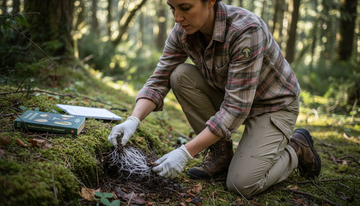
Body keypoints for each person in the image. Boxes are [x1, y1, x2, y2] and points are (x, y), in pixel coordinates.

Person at [108, 0, 321, 197]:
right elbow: (159, 79)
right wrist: (133, 120)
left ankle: (297, 147)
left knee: (242, 184)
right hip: (230, 96)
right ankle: (221, 155)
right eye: (172, 8)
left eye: (185, 7)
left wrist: (185, 152)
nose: (177, 17)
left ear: (210, 1)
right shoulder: (183, 30)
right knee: (179, 75)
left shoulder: (246, 30)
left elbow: (236, 109)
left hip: (273, 106)